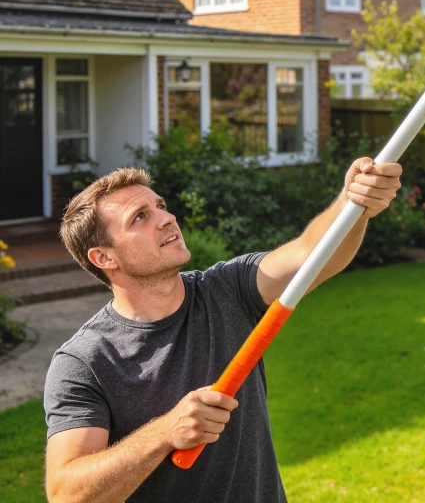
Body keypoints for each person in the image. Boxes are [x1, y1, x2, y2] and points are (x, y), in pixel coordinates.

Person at [44, 157, 402, 503]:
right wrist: (165, 432)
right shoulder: (85, 362)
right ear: (105, 258)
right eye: (140, 217)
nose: (167, 219)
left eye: (161, 206)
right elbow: (67, 494)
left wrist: (354, 202)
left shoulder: (227, 290)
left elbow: (312, 254)